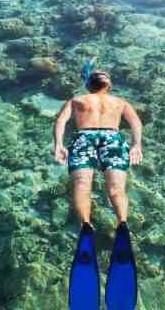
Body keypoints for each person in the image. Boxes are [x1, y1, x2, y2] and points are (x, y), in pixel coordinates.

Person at [53, 68, 143, 231]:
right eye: (99, 75)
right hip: (110, 139)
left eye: (102, 74)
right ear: (109, 84)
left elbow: (61, 121)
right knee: (111, 187)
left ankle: (104, 223)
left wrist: (59, 144)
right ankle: (107, 223)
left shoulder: (79, 100)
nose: (100, 75)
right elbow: (135, 122)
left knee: (87, 184)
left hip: (85, 138)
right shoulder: (117, 101)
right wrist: (136, 144)